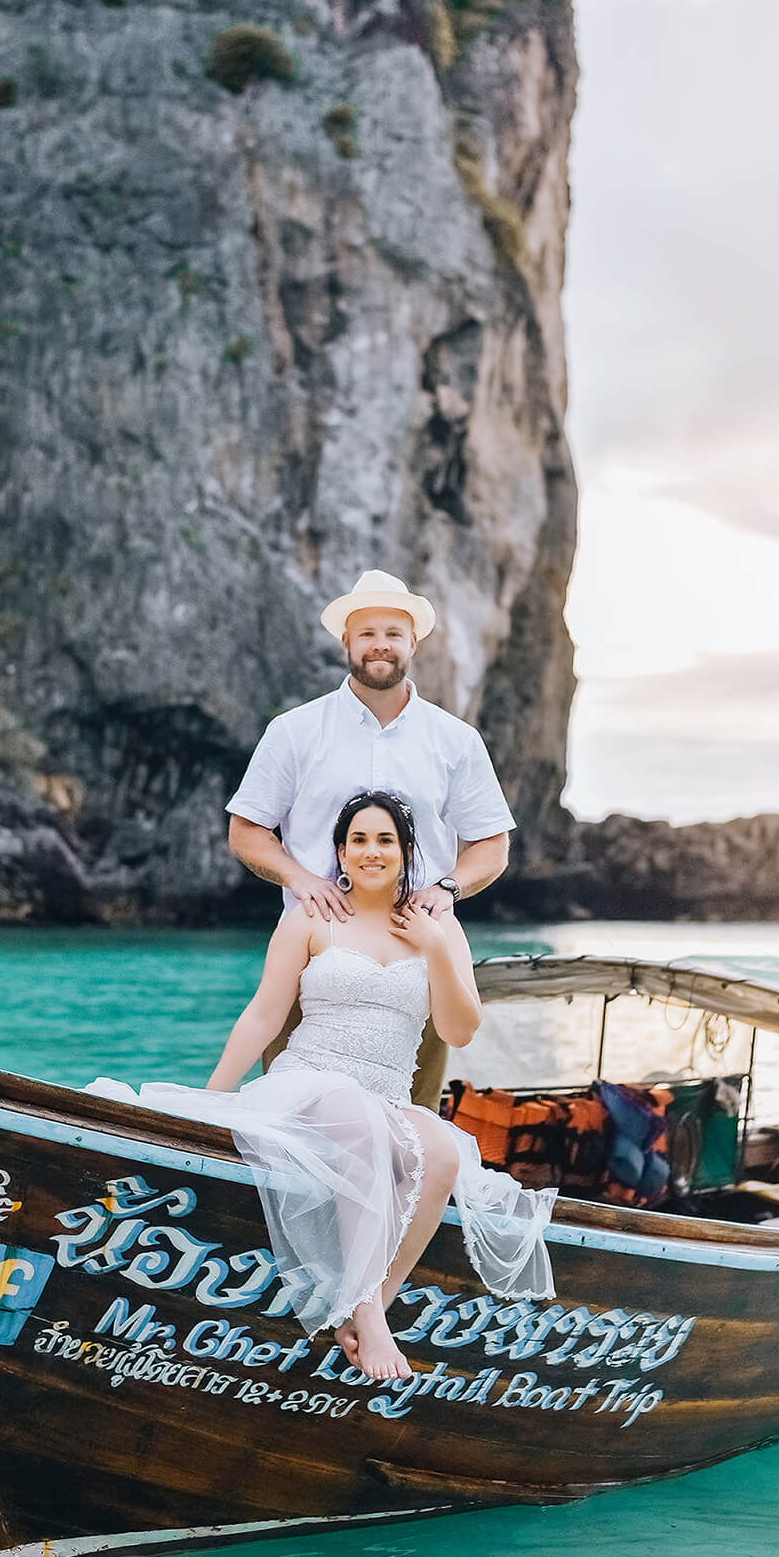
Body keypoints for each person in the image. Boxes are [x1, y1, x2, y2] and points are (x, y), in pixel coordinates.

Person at [135, 792, 555, 1383]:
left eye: (385, 840)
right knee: (359, 1122)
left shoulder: (439, 927)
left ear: (407, 852)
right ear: (340, 851)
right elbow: (262, 1014)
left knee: (438, 1154)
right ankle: (368, 1318)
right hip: (311, 1081)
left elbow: (460, 1029)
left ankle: (368, 1311)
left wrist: (436, 948)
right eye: (358, 840)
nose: (371, 851)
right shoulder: (312, 914)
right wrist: (214, 1095)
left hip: (385, 1093)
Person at [226, 570, 517, 1108]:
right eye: (367, 633)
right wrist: (301, 878)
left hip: (417, 960)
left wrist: (448, 887)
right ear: (347, 644)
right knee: (289, 1128)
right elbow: (246, 830)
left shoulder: (456, 740)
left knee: (409, 1131)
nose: (380, 644)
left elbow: (492, 845)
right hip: (315, 955)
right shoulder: (294, 731)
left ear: (413, 643)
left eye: (393, 632)